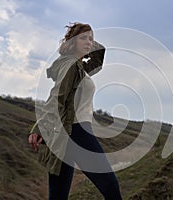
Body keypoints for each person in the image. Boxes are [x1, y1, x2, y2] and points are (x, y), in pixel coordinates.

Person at [28, 22, 123, 200]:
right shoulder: (71, 66)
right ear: (72, 42)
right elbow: (57, 98)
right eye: (83, 38)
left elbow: (98, 58)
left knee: (58, 195)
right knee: (110, 187)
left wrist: (87, 41)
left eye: (91, 39)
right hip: (77, 132)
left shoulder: (80, 67)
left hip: (68, 134)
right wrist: (39, 128)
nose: (89, 42)